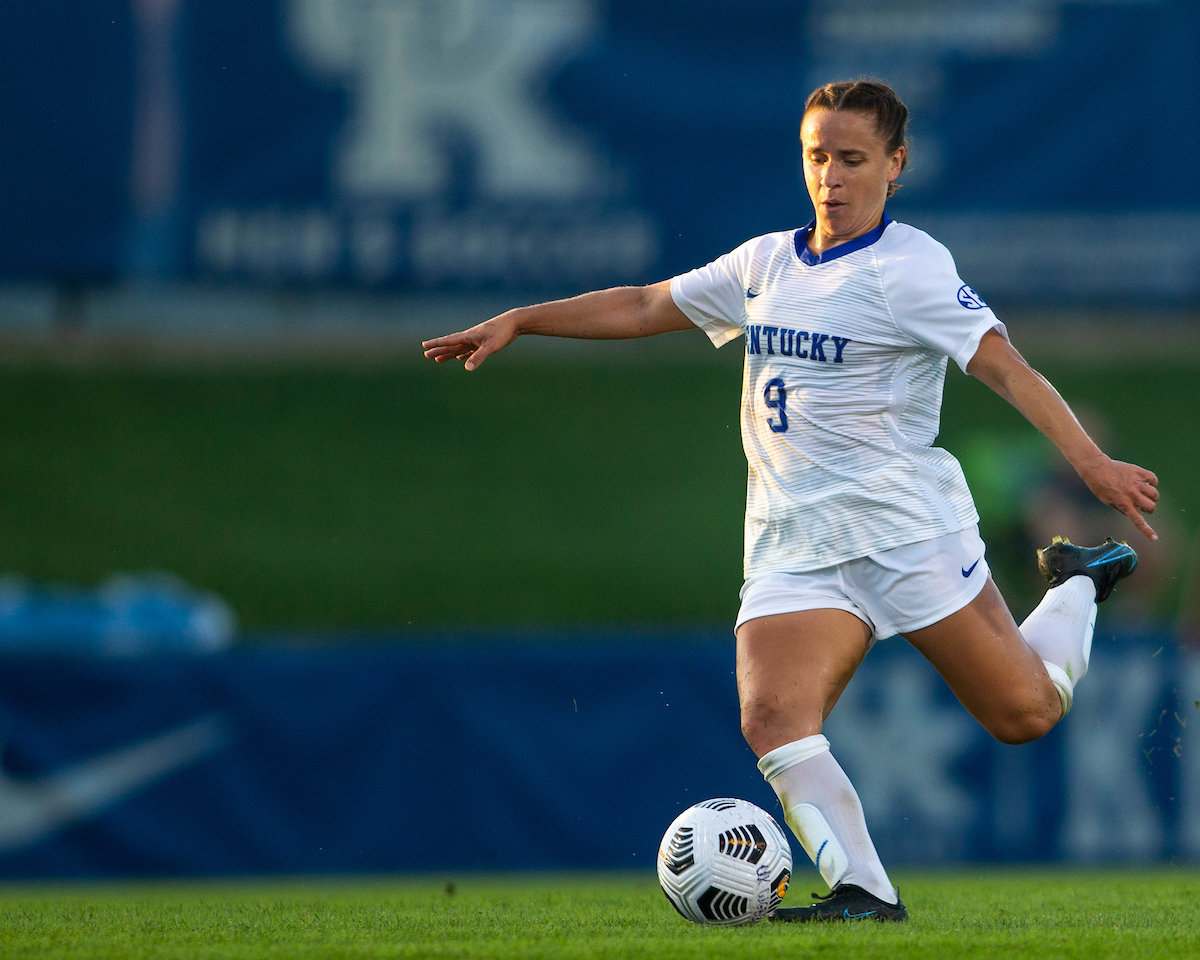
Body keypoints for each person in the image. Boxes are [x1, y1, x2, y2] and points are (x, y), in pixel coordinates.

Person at [422, 80, 1159, 923]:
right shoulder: (766, 263)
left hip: (905, 533)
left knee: (1024, 715)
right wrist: (522, 318)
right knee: (773, 716)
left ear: (897, 164)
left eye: (852, 159)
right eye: (818, 157)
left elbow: (1004, 367)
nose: (832, 177)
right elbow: (643, 304)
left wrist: (1092, 465)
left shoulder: (908, 267)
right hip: (793, 544)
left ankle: (1076, 583)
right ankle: (866, 893)